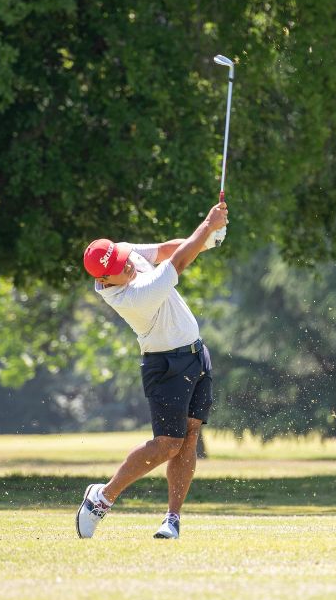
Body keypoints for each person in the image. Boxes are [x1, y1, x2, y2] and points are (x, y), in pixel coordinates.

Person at [75, 201, 228, 540]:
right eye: (117, 267)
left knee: (189, 438)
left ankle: (172, 519)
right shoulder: (131, 296)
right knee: (167, 445)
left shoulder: (125, 255)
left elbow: (164, 250)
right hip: (165, 365)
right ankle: (103, 497)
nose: (127, 264)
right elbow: (178, 262)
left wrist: (208, 240)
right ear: (104, 279)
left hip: (196, 354)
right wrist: (206, 224)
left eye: (121, 257)